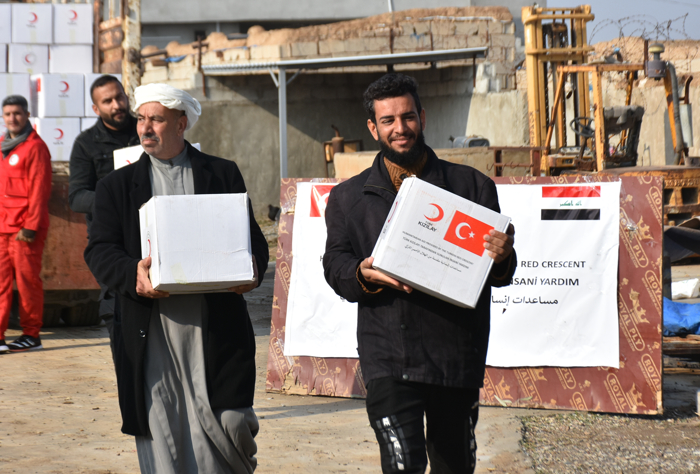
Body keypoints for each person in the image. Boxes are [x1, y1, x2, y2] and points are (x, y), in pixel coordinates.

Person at [322, 74, 517, 474]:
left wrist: (502, 257)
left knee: (454, 465)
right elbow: (335, 264)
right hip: (387, 355)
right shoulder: (348, 197)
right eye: (388, 120)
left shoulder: (472, 187)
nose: (400, 128)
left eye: (407, 117)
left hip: (455, 355)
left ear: (422, 118)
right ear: (373, 128)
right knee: (402, 465)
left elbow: (498, 275)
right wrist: (361, 273)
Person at [84, 83, 268, 473]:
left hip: (214, 327)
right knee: (161, 429)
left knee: (231, 423)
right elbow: (99, 250)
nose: (145, 128)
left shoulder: (222, 174)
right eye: (141, 119)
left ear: (181, 124)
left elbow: (252, 241)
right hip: (153, 332)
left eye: (156, 119)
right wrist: (132, 273)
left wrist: (251, 270)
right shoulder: (116, 187)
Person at [69, 75, 139, 348]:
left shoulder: (147, 130)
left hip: (152, 231)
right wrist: (114, 201)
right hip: (111, 239)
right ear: (96, 108)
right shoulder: (86, 144)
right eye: (107, 101)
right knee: (116, 306)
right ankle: (127, 361)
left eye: (119, 97)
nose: (116, 105)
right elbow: (76, 197)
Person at [0, 95, 52, 353]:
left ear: (27, 115)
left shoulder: (36, 147)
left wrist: (30, 227)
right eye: (8, 114)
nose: (13, 118)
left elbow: (40, 191)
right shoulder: (2, 145)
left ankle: (32, 335)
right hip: (2, 228)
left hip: (24, 230)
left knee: (27, 282)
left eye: (17, 113)